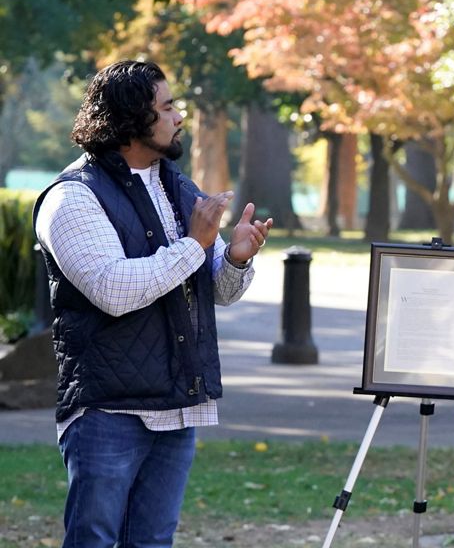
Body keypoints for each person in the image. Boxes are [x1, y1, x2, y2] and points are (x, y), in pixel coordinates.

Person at [32, 60, 273, 547]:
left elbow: (217, 291)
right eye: (166, 108)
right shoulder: (72, 199)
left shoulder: (179, 188)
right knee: (93, 541)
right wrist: (195, 245)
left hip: (178, 404)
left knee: (152, 542)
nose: (179, 116)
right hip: (108, 411)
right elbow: (115, 291)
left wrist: (238, 259)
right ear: (128, 121)